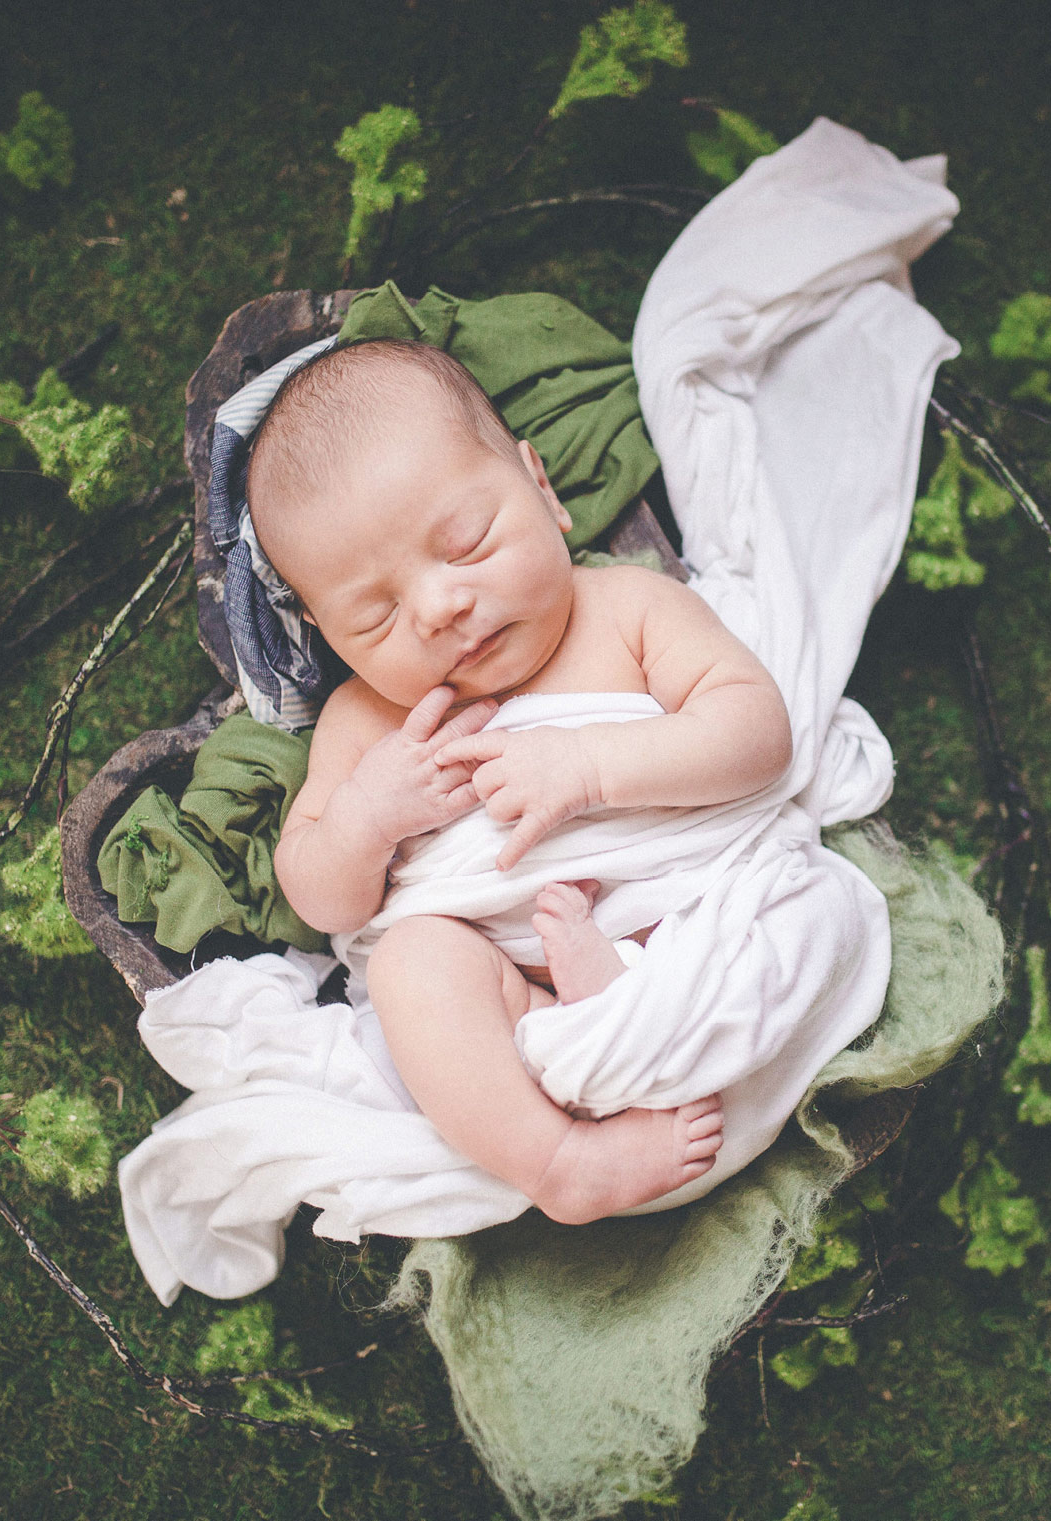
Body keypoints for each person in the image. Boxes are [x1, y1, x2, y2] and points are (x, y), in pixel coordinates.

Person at [253, 336, 796, 1225]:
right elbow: (320, 897)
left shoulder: (625, 612)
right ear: (328, 637)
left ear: (540, 489)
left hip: (691, 934)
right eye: (375, 614)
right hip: (520, 1007)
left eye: (464, 544)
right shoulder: (367, 721)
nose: (438, 609)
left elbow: (757, 731)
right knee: (412, 967)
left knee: (806, 907)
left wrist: (587, 767)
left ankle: (637, 1019)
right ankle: (564, 1161)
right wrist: (367, 819)